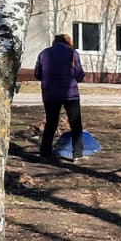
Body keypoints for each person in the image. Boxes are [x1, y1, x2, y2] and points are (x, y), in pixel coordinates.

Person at [34, 33, 86, 161]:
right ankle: (77, 154)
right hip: (70, 94)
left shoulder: (43, 54)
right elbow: (79, 74)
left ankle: (45, 154)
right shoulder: (72, 53)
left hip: (50, 94)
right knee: (76, 124)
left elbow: (37, 74)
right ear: (68, 42)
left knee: (51, 124)